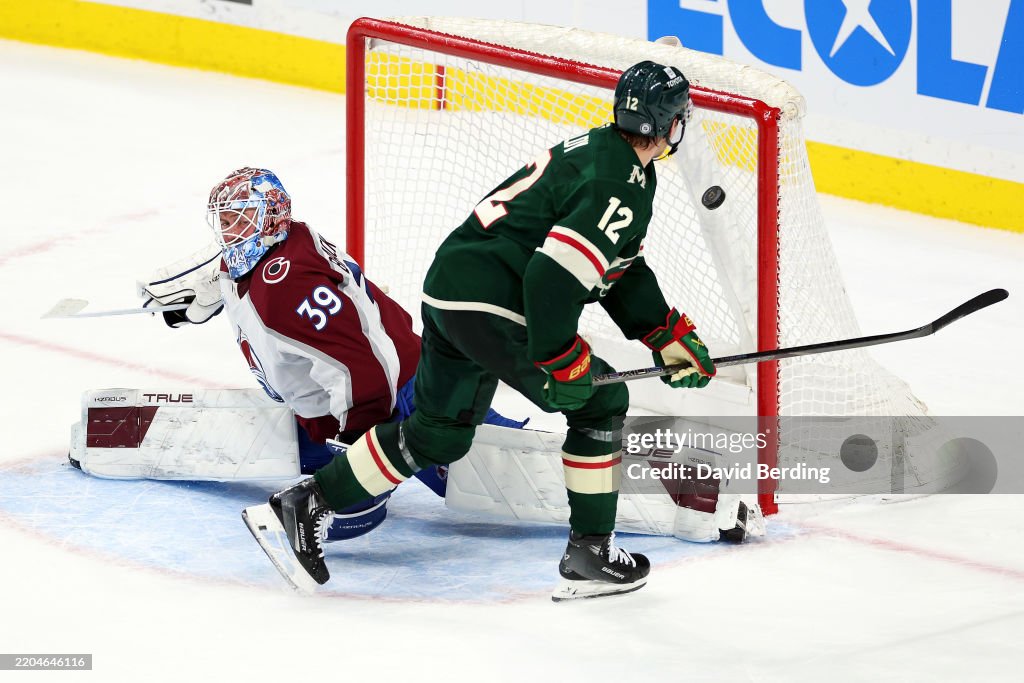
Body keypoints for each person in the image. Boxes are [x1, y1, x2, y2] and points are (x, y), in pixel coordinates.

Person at [245, 61, 717, 600]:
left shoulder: (604, 154)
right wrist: (561, 357)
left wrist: (662, 332)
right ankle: (591, 552)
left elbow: (618, 268)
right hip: (493, 304)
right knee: (600, 403)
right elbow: (551, 276)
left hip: (450, 290)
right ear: (670, 123)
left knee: (437, 433)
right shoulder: (621, 182)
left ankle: (305, 502)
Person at [138, 167, 522, 540]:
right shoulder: (276, 246)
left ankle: (568, 465)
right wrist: (205, 290)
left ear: (270, 220)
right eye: (224, 221)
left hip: (402, 401)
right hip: (366, 393)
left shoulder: (287, 288)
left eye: (240, 220)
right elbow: (226, 264)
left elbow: (364, 368)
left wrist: (358, 449)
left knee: (493, 472)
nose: (229, 233)